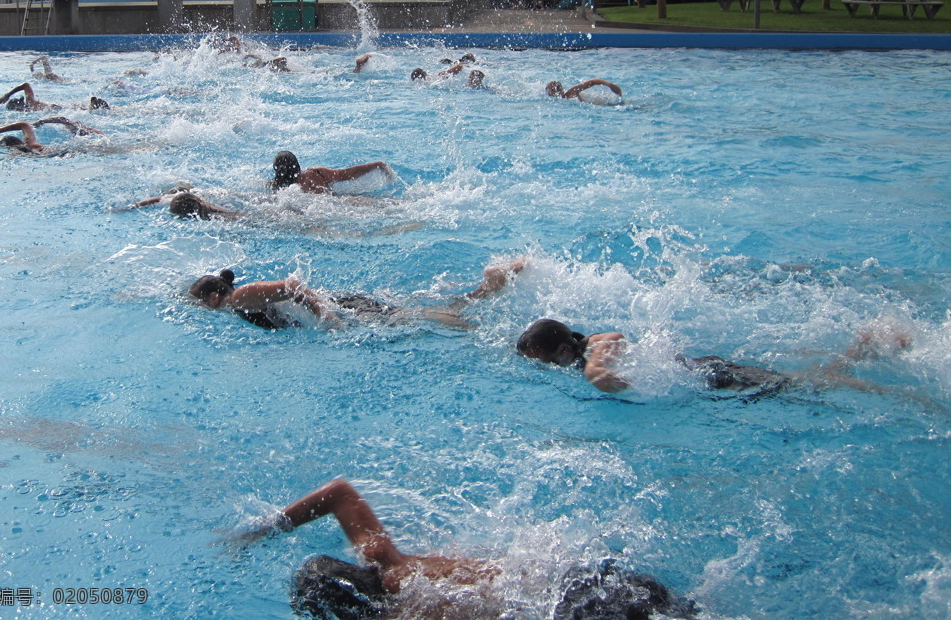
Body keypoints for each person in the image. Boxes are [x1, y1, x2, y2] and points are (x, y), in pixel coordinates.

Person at [230, 478, 697, 620]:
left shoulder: (408, 610)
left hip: (575, 608)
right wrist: (266, 527)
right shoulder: (388, 562)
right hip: (575, 576)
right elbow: (340, 493)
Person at [515, 317, 914, 396]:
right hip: (701, 370)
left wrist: (595, 369)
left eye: (544, 360)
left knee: (809, 387)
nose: (544, 367)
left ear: (565, 349)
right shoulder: (578, 350)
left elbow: (612, 336)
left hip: (711, 376)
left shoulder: (591, 350)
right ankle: (863, 349)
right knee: (804, 381)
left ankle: (867, 357)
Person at [189, 258, 528, 332]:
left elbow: (293, 286)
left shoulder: (238, 298)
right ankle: (485, 290)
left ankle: (479, 329)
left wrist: (326, 316)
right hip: (336, 303)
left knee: (406, 318)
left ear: (214, 297)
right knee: (406, 312)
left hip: (338, 306)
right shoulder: (237, 303)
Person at [271, 151, 394, 194]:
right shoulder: (314, 173)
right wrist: (376, 165)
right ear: (296, 165)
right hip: (337, 204)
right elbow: (347, 174)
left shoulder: (276, 187)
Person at [0, 117, 100, 154]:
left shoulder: (27, 149)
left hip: (69, 151)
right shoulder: (29, 143)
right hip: (68, 150)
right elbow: (23, 124)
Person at [122, 189, 241, 220]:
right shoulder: (209, 209)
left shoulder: (172, 201)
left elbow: (151, 201)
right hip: (212, 198)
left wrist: (131, 207)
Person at [0, 82, 110, 112]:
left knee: (86, 111)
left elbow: (26, 84)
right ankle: (93, 105)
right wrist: (7, 96)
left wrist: (6, 95)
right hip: (56, 107)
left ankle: (93, 107)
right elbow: (25, 85)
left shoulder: (31, 105)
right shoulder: (31, 101)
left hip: (56, 109)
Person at [545, 79, 623, 102]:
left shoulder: (570, 93)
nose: (557, 90)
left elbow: (592, 82)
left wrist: (608, 85)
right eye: (553, 90)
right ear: (549, 93)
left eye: (558, 87)